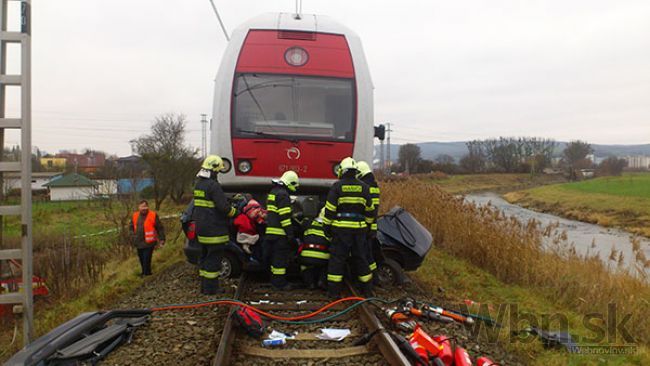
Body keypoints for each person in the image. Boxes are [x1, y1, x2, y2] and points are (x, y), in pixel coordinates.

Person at [323, 157, 374, 298]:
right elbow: (370, 211)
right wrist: (368, 226)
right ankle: (367, 290)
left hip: (340, 230)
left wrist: (326, 227)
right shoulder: (365, 187)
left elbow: (330, 210)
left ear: (342, 171)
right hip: (359, 231)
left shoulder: (337, 187)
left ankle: (334, 293)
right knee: (361, 258)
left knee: (337, 260)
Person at [192, 155, 237, 295]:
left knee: (205, 258)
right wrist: (235, 212)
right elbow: (223, 208)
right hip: (214, 230)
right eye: (218, 171)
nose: (218, 173)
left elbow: (208, 202)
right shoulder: (213, 185)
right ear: (214, 169)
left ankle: (204, 287)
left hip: (202, 229)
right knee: (214, 259)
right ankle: (212, 289)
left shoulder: (198, 184)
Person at [264, 170, 299, 290]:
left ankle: (274, 281)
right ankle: (279, 284)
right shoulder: (283, 195)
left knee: (274, 259)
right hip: (280, 234)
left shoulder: (273, 192)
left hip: (270, 233)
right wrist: (290, 235)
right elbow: (284, 217)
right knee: (280, 260)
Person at [356, 161, 383, 284]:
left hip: (367, 225)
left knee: (365, 254)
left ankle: (371, 280)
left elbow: (368, 209)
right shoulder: (374, 186)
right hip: (372, 225)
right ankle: (375, 278)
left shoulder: (367, 187)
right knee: (368, 254)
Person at [130, 200, 165, 276]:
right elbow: (131, 227)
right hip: (138, 242)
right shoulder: (134, 215)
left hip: (149, 242)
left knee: (147, 259)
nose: (144, 208)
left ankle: (147, 274)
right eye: (142, 206)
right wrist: (133, 236)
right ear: (139, 207)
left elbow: (160, 228)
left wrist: (162, 239)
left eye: (145, 206)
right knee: (142, 259)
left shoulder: (153, 215)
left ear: (148, 206)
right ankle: (145, 273)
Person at [298, 208, 330, 289]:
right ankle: (322, 281)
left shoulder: (308, 223)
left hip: (306, 255)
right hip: (323, 257)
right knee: (328, 265)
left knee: (304, 266)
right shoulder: (330, 227)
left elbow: (299, 232)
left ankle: (310, 283)